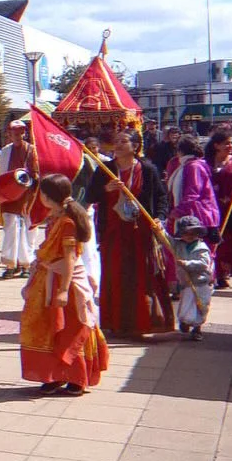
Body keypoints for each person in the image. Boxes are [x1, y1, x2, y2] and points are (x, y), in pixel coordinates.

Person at [19, 174, 108, 395]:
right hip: (49, 278)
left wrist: (63, 290)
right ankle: (55, 375)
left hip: (66, 283)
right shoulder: (56, 216)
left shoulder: (67, 222)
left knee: (69, 329)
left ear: (48, 197)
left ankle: (77, 377)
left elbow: (69, 258)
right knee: (50, 329)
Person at [87, 130, 173, 338]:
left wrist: (159, 218)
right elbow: (90, 195)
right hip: (113, 232)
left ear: (135, 146)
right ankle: (116, 323)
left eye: (123, 141)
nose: (117, 145)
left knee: (141, 276)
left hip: (140, 232)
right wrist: (106, 189)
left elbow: (162, 197)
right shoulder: (105, 170)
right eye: (116, 141)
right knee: (115, 274)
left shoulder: (147, 169)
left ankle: (142, 323)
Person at [165, 135, 221, 253]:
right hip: (197, 215)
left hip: (200, 218)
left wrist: (178, 211)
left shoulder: (194, 166)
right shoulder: (190, 165)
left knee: (199, 256)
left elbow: (193, 193)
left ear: (180, 151)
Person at [0, 120, 37, 278]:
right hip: (9, 196)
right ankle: (10, 264)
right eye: (14, 132)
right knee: (10, 229)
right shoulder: (5, 151)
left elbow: (35, 174)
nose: (17, 135)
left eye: (20, 132)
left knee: (28, 230)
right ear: (9, 133)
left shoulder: (31, 150)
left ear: (24, 133)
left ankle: (26, 263)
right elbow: (0, 175)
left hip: (27, 195)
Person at [170, 215, 213, 341]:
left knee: (201, 306)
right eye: (186, 233)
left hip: (200, 283)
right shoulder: (178, 245)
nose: (190, 236)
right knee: (185, 306)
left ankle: (197, 329)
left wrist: (187, 264)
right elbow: (167, 240)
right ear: (181, 234)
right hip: (187, 283)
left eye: (193, 233)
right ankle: (185, 321)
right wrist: (159, 228)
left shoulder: (202, 248)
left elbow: (203, 264)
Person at [207, 129, 232, 288]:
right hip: (215, 209)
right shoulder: (206, 163)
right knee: (221, 242)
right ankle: (221, 274)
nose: (230, 146)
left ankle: (231, 272)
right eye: (226, 143)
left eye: (231, 143)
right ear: (216, 145)